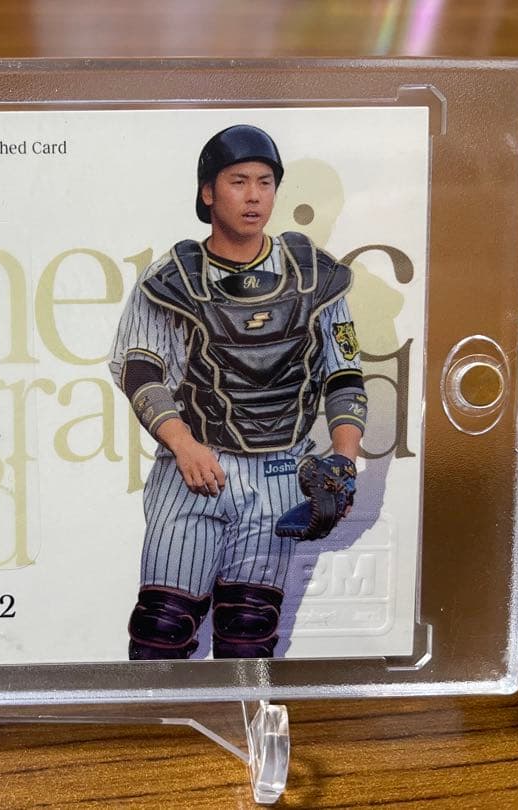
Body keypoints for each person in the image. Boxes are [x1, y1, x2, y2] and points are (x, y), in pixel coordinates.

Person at [109, 125, 368, 659]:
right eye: (238, 181)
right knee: (162, 626)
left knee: (249, 627)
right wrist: (182, 444)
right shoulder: (172, 276)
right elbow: (140, 372)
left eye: (265, 182)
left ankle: (242, 708)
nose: (254, 196)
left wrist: (343, 461)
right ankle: (157, 715)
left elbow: (344, 373)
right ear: (208, 192)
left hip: (278, 468)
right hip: (194, 463)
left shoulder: (314, 274)